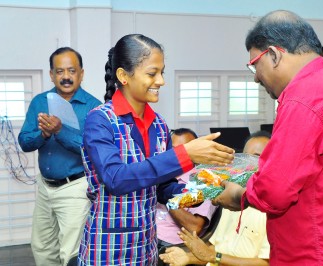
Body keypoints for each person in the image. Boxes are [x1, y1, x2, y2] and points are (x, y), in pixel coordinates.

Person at [212, 10, 323, 265]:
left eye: (255, 65)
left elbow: (275, 190)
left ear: (274, 54)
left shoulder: (304, 98)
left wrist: (239, 195)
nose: (255, 78)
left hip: (321, 254)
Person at [77, 34, 234, 266]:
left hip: (146, 250)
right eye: (152, 73)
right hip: (107, 249)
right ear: (123, 76)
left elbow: (163, 188)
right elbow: (115, 179)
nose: (161, 81)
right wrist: (186, 154)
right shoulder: (100, 121)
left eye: (162, 72)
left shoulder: (159, 125)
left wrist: (207, 191)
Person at [18, 47, 101, 266]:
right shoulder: (40, 101)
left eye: (72, 71)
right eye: (60, 71)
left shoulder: (95, 108)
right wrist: (43, 134)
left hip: (75, 188)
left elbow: (94, 150)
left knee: (71, 253)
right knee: (42, 247)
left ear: (81, 73)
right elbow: (25, 142)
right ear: (52, 74)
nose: (66, 76)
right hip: (45, 187)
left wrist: (59, 131)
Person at [159, 130, 271, 266]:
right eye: (245, 156)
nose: (248, 163)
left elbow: (267, 263)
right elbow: (214, 249)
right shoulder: (230, 200)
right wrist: (187, 257)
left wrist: (214, 257)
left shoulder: (273, 209)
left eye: (256, 157)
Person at [157, 128, 218, 248]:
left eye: (185, 149)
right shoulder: (163, 172)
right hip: (146, 233)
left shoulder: (205, 180)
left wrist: (166, 196)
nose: (178, 155)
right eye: (174, 150)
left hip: (168, 244)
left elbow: (194, 228)